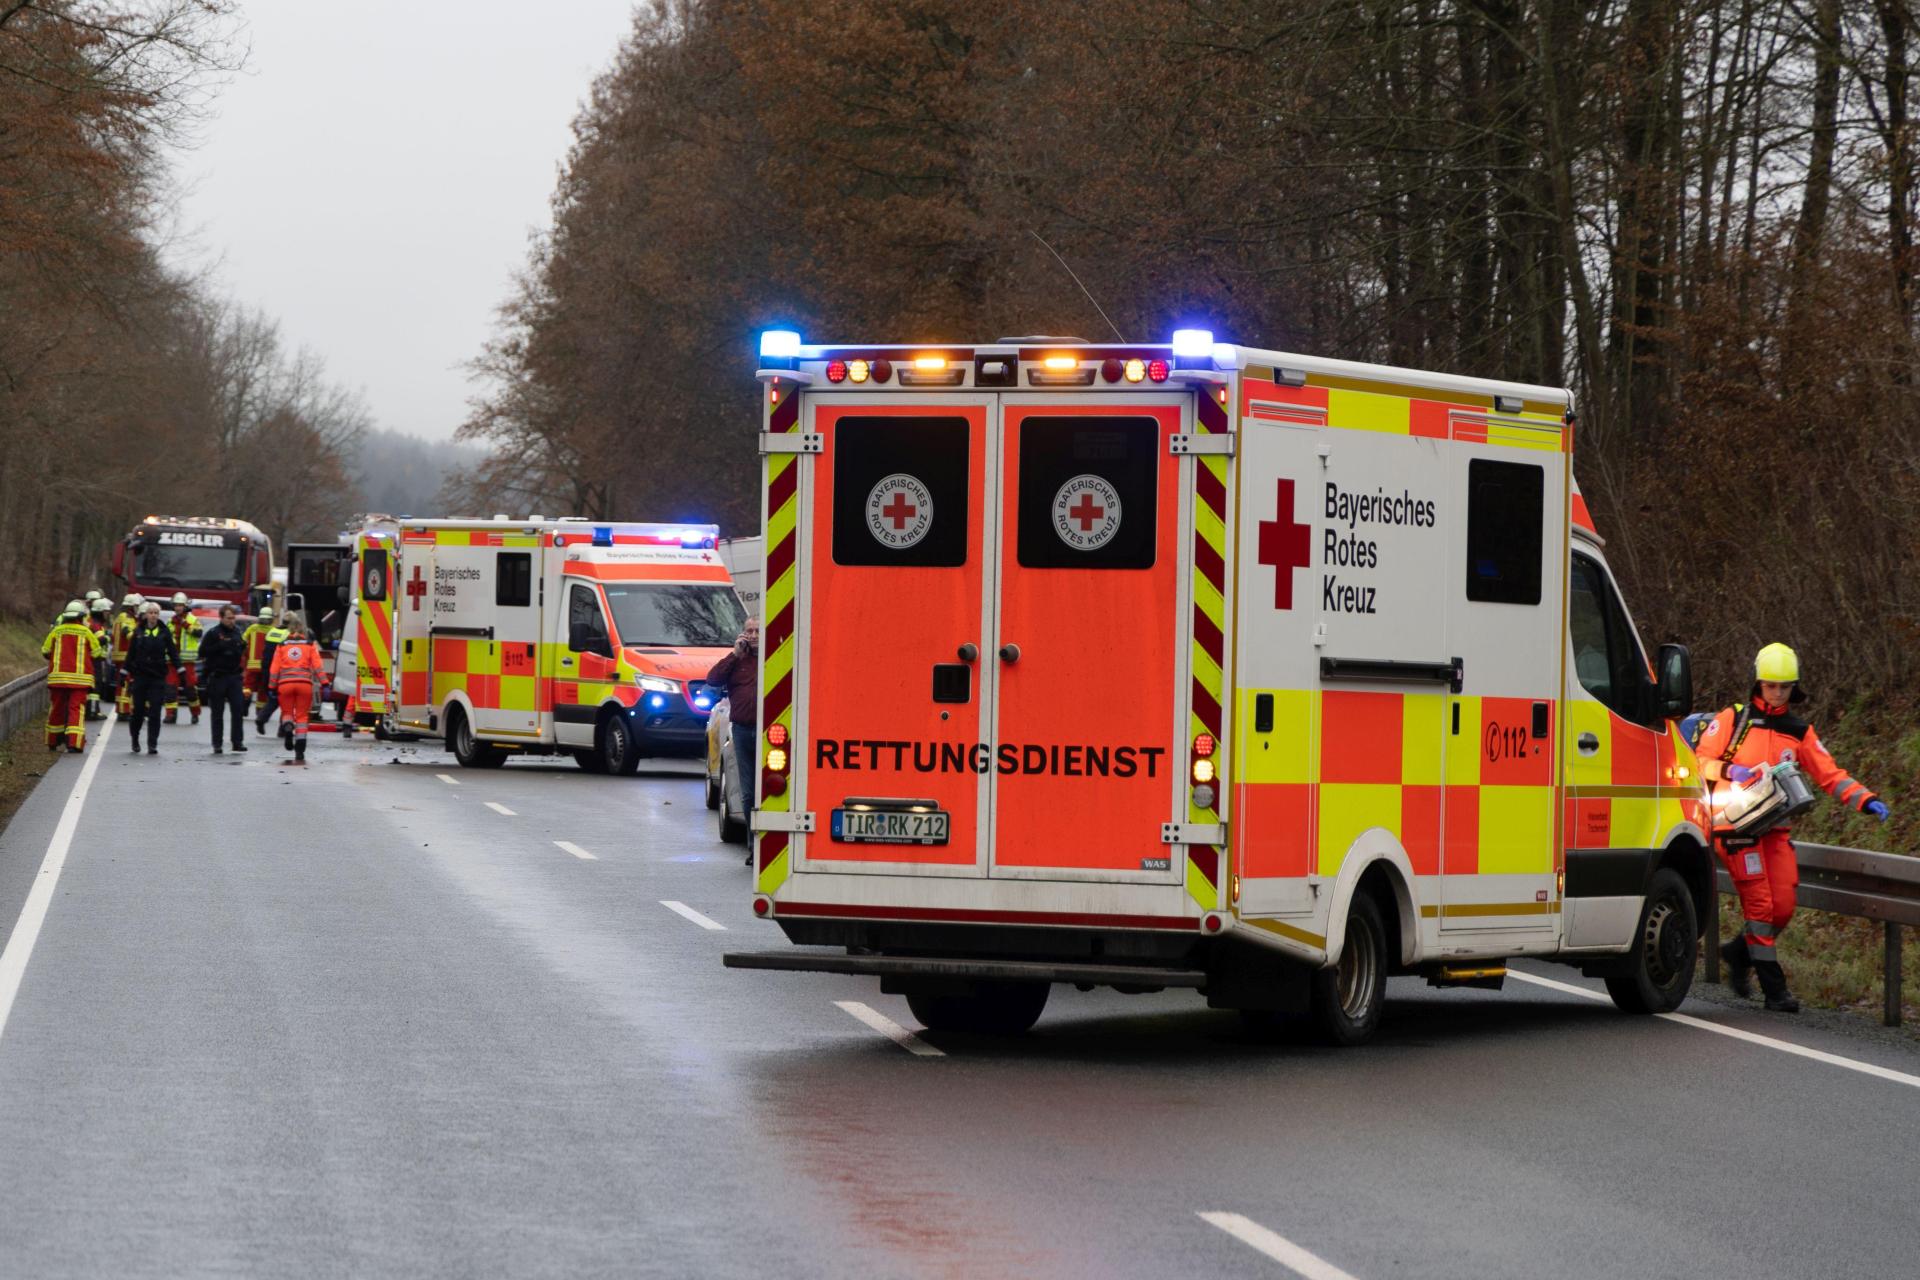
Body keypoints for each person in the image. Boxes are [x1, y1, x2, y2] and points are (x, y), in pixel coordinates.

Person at [1698, 642, 1888, 1013]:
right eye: (1771, 685)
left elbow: (1830, 775)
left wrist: (1866, 799)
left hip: (1775, 830)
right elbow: (1697, 760)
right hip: (1735, 830)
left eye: (1784, 686)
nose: (1778, 692)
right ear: (1759, 683)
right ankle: (1775, 991)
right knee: (1761, 906)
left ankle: (1738, 953)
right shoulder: (1733, 720)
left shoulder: (1799, 732)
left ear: (1793, 687)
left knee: (1783, 906)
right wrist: (1729, 770)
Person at [705, 616, 760, 861]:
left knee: (770, 792)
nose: (753, 635)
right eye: (749, 631)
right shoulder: (738, 661)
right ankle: (753, 846)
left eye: (758, 630)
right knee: (748, 792)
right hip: (742, 731)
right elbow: (713, 679)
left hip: (771, 733)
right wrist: (734, 654)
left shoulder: (776, 656)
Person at [41, 600, 103, 754]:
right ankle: (74, 743)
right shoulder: (86, 632)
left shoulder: (56, 631)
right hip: (80, 681)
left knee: (56, 708)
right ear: (81, 616)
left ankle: (53, 741)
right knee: (76, 709)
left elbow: (45, 651)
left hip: (58, 679)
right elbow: (97, 653)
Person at [123, 600, 178, 755]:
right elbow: (130, 654)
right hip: (140, 677)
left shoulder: (164, 632)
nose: (153, 616)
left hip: (157, 677)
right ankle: (135, 738)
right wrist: (124, 672)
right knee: (138, 711)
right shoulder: (138, 632)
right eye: (151, 613)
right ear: (146, 615)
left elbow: (173, 653)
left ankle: (152, 743)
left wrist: (180, 669)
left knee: (155, 711)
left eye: (156, 613)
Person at [268, 616, 324, 765]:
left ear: (289, 630)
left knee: (287, 713)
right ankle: (300, 748)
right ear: (302, 629)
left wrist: (271, 686)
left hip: (285, 684)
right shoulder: (309, 645)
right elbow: (317, 665)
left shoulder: (282, 646)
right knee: (302, 717)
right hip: (304, 684)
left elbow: (274, 668)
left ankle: (287, 727)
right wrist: (325, 682)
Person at [199, 603, 250, 755]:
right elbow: (202, 652)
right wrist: (219, 646)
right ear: (221, 618)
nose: (232, 621)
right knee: (217, 713)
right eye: (229, 618)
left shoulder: (237, 632)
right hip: (218, 677)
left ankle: (237, 742)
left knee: (238, 709)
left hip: (234, 676)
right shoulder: (213, 633)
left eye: (233, 618)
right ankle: (217, 744)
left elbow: (241, 649)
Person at [164, 593, 203, 725]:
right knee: (170, 688)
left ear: (185, 606)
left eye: (180, 605)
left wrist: (185, 624)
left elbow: (199, 633)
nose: (178, 608)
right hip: (172, 661)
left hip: (187, 661)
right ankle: (171, 715)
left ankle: (195, 713)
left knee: (190, 689)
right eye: (176, 605)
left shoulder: (192, 619)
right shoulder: (170, 621)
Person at [253, 610, 290, 736]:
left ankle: (261, 718)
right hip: (282, 672)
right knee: (287, 700)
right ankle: (283, 729)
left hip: (268, 671)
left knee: (274, 699)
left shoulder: (272, 632)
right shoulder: (288, 635)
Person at [112, 593, 142, 715]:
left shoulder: (120, 617)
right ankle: (124, 710)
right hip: (125, 655)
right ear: (131, 606)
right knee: (126, 682)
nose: (137, 608)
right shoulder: (126, 617)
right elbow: (127, 633)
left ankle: (123, 708)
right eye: (136, 606)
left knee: (123, 682)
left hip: (120, 655)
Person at [86, 597, 114, 720]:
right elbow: (100, 640)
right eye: (106, 612)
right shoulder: (95, 624)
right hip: (94, 660)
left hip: (95, 659)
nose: (107, 614)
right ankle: (92, 711)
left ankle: (94, 709)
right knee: (95, 685)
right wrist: (109, 636)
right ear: (99, 612)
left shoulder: (95, 623)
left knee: (96, 684)